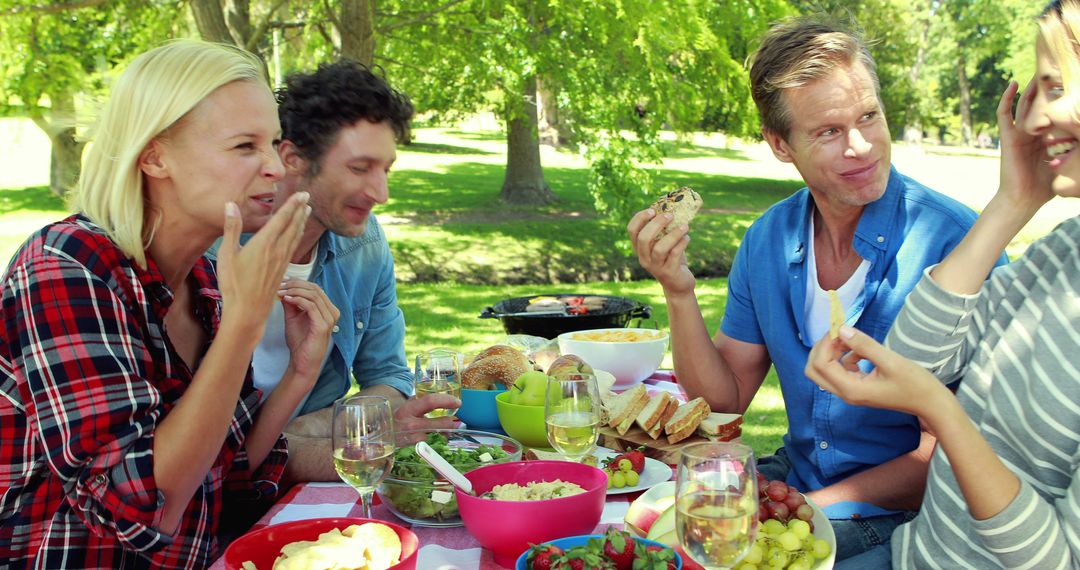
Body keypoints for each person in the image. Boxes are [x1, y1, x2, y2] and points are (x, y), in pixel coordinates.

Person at [627, 16, 1006, 561]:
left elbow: (954, 457)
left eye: (869, 117)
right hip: (798, 484)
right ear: (780, 144)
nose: (861, 146)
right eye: (829, 131)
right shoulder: (768, 239)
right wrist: (679, 291)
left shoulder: (957, 247)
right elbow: (725, 400)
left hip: (908, 517)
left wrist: (803, 507)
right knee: (645, 540)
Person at [0, 40, 336, 568]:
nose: (276, 166)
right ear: (155, 156)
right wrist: (242, 327)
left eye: (274, 142)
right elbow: (147, 507)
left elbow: (224, 472)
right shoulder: (66, 267)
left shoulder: (204, 280)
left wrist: (300, 372)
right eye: (245, 146)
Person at [808, 1, 1080, 567]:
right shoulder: (1064, 252)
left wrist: (945, 415)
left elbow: (1054, 560)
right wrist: (1011, 204)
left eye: (1055, 89)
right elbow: (911, 359)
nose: (1031, 122)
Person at [218, 60, 459, 483]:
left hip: (291, 485)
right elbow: (217, 457)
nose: (380, 194)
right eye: (359, 168)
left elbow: (386, 376)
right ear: (292, 158)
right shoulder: (207, 258)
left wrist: (301, 434)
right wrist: (363, 436)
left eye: (386, 169)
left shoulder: (363, 244)